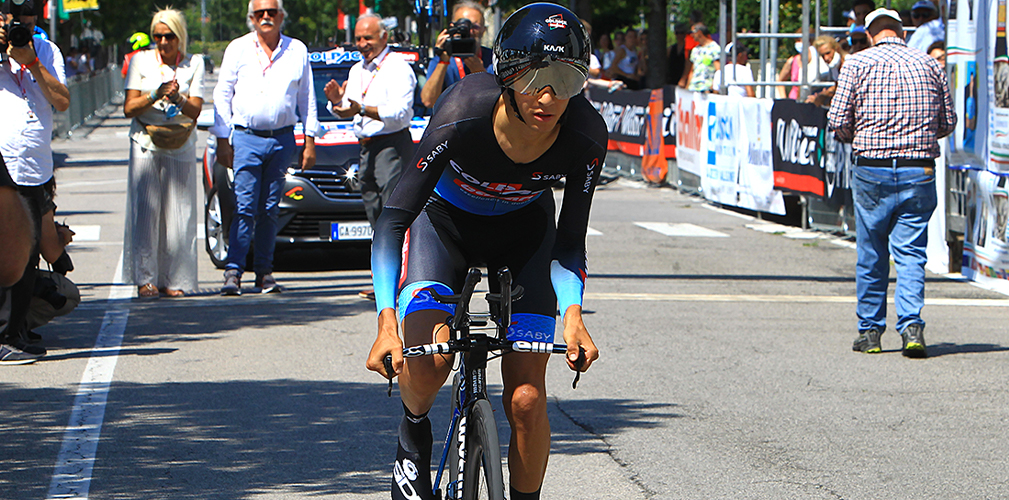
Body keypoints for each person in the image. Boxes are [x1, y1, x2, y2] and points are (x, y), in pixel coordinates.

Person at [364, 4, 602, 499]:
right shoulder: (462, 111)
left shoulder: (585, 135)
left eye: (566, 79)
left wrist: (574, 318)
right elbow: (393, 221)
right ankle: (413, 435)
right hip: (443, 228)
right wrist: (387, 324)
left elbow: (569, 241)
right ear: (508, 76)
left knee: (528, 400)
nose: (549, 95)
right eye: (536, 76)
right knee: (427, 363)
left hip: (523, 237)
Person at [828, 8, 955, 358]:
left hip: (872, 168)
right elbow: (947, 122)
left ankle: (870, 332)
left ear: (870, 35)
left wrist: (862, 135)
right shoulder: (929, 64)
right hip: (919, 169)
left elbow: (837, 120)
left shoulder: (856, 63)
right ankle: (911, 326)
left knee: (872, 252)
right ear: (901, 31)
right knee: (911, 252)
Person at [212, 0, 318, 296]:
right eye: (261, 13)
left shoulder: (297, 49)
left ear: (282, 16)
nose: (267, 17)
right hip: (247, 136)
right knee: (244, 208)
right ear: (252, 18)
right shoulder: (238, 48)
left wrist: (309, 140)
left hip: (283, 137)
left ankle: (265, 272)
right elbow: (222, 93)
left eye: (272, 12)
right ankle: (234, 271)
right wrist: (222, 138)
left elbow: (306, 97)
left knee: (270, 209)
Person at [0, 0, 70, 363]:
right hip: (2, 166)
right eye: (15, 23)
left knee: (25, 254)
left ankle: (15, 332)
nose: (21, 30)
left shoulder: (46, 50)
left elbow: (62, 101)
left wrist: (33, 63)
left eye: (28, 23)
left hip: (34, 168)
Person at [122, 9, 205, 299]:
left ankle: (176, 279)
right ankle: (146, 279)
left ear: (179, 37)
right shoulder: (140, 61)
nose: (162, 42)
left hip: (180, 142)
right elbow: (128, 108)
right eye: (157, 36)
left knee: (180, 214)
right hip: (145, 141)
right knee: (146, 213)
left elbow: (196, 109)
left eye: (168, 36)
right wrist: (155, 94)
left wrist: (178, 97)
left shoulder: (194, 63)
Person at [323, 15, 415, 233]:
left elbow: (401, 114)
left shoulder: (398, 67)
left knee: (392, 213)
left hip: (391, 145)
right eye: (358, 39)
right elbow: (350, 108)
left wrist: (362, 110)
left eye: (368, 38)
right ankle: (381, 261)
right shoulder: (357, 70)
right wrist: (337, 101)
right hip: (365, 147)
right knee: (373, 210)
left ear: (384, 37)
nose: (362, 44)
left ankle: (397, 263)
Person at [420, 1, 491, 109]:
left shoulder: (493, 59)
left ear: (483, 30)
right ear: (452, 26)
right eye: (463, 25)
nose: (469, 31)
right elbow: (428, 101)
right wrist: (443, 60)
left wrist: (480, 74)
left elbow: (499, 102)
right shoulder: (441, 60)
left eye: (475, 26)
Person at [681, 23, 721, 92]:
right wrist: (687, 87)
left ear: (699, 33)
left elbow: (718, 69)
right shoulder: (695, 50)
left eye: (693, 33)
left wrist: (713, 86)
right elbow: (693, 70)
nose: (691, 35)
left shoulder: (714, 48)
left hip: (706, 88)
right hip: (693, 88)